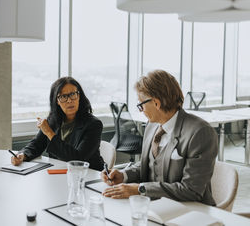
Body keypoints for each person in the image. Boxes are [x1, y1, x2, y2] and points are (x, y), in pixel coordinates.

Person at [101, 70, 218, 205]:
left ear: (156, 103)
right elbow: (149, 165)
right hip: (154, 206)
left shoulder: (200, 132)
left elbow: (191, 190)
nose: (141, 110)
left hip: (191, 210)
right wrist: (124, 175)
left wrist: (140, 189)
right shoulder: (152, 126)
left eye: (141, 105)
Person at [11, 77, 105, 171]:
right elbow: (36, 145)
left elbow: (78, 159)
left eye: (73, 94)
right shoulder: (53, 120)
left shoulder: (94, 125)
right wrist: (22, 155)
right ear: (57, 101)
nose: (69, 100)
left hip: (89, 176)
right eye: (63, 96)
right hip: (61, 173)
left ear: (79, 96)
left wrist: (49, 132)